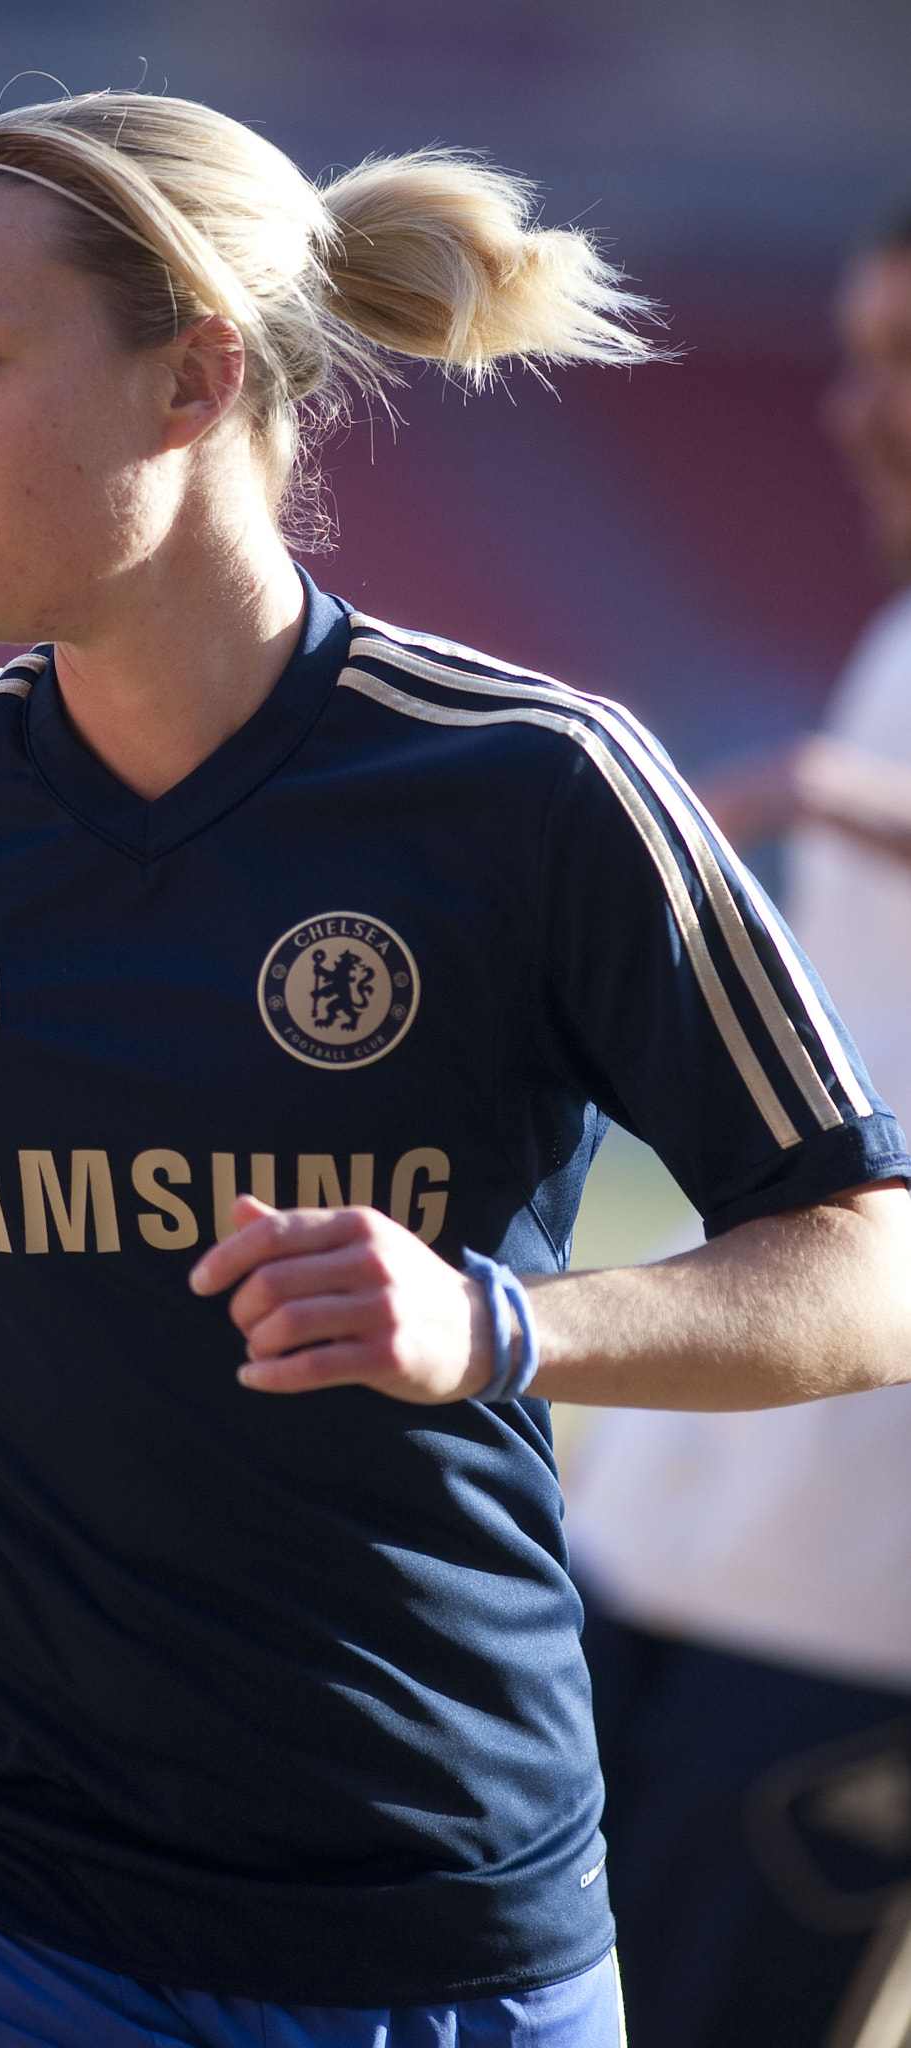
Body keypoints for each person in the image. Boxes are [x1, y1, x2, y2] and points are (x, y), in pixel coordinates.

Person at [0, 93, 911, 2048]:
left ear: (194, 376)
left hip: (437, 1922)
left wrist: (493, 1321)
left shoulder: (537, 788)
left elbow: (866, 1259)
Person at [565, 212, 911, 2048]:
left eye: (909, 365)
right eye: (860, 356)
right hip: (677, 1522)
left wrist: (813, 792)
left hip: (861, 1596)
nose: (863, 410)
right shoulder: (896, 637)